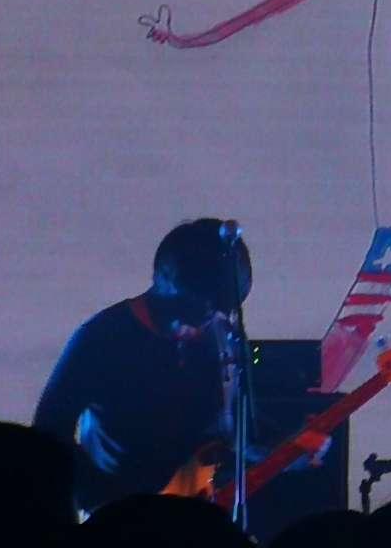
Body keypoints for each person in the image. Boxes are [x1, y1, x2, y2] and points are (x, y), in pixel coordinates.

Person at [33, 219, 250, 512]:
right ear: (166, 282)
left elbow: (227, 430)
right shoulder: (103, 337)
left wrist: (285, 448)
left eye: (223, 308)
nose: (215, 317)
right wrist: (96, 497)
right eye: (204, 308)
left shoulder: (220, 335)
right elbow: (49, 430)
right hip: (118, 511)